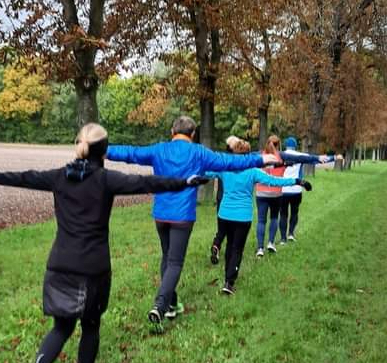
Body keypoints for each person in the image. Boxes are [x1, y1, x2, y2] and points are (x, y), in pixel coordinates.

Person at [0, 123, 205, 363]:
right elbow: (147, 184)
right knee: (90, 325)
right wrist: (186, 182)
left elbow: (18, 178)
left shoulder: (59, 177)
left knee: (61, 327)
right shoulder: (106, 180)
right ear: (105, 151)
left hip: (59, 264)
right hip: (92, 268)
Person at [105, 116, 279, 332]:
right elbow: (232, 162)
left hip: (161, 214)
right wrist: (263, 159)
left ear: (172, 131)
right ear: (193, 134)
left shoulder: (160, 149)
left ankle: (170, 304)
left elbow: (131, 153)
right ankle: (160, 306)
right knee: (175, 262)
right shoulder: (199, 152)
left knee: (167, 258)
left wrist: (101, 149)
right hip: (182, 216)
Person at [205, 139, 312, 294]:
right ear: (248, 155)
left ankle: (227, 277)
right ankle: (229, 283)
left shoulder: (225, 169)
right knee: (237, 249)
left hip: (224, 214)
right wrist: (297, 181)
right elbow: (273, 181)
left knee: (229, 245)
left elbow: (206, 172)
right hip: (242, 216)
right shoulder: (252, 171)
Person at [255, 135, 336, 257]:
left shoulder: (259, 155)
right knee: (275, 218)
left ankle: (261, 248)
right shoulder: (282, 156)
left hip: (261, 192)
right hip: (278, 192)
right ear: (279, 145)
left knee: (261, 220)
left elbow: (244, 160)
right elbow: (303, 158)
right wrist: (323, 158)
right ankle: (272, 242)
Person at [210, 135, 241, 265]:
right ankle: (231, 252)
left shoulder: (221, 160)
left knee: (221, 227)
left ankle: (216, 245)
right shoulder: (239, 162)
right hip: (233, 198)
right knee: (233, 229)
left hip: (220, 197)